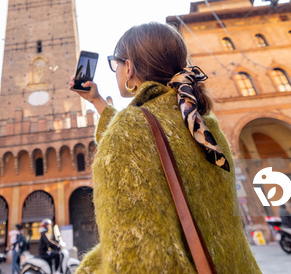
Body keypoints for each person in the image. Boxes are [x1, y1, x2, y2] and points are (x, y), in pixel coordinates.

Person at [70, 22, 261, 273]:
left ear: (128, 68)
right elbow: (154, 133)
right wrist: (97, 101)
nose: (115, 69)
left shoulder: (131, 129)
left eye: (114, 63)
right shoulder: (204, 125)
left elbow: (139, 257)